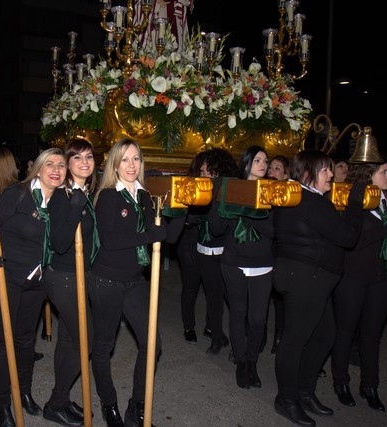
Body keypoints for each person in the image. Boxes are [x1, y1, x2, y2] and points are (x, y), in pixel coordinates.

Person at [272, 150, 365, 426]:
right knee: (294, 341)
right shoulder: (313, 202)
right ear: (309, 174)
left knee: (325, 336)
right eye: (325, 170)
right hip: (306, 279)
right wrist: (356, 204)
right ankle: (286, 399)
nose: (331, 175)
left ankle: (303, 391)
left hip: (307, 279)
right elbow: (348, 237)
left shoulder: (295, 196)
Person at [0, 147, 66, 427]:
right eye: (49, 163)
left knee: (26, 340)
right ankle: (2, 402)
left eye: (61, 165)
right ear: (37, 168)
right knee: (3, 343)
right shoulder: (18, 193)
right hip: (5, 276)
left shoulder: (63, 201)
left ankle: (24, 392)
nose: (56, 169)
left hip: (36, 281)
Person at [89, 138, 166, 427]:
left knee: (152, 344)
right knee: (104, 346)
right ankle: (109, 406)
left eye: (136, 159)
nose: (131, 165)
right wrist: (150, 236)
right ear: (115, 164)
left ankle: (137, 406)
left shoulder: (145, 195)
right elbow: (109, 241)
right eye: (125, 159)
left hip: (135, 281)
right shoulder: (108, 196)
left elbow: (159, 231)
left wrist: (176, 215)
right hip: (105, 280)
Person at [331, 156, 387, 412]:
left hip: (382, 277)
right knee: (346, 332)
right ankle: (341, 381)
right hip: (353, 276)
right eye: (384, 172)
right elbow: (353, 239)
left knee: (372, 335)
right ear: (369, 175)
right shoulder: (351, 200)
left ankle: (370, 386)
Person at [43, 139, 98, 426]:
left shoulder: (84, 192)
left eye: (89, 157)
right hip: (64, 278)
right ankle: (55, 402)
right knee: (85, 341)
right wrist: (76, 203)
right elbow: (60, 242)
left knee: (68, 341)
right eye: (77, 158)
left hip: (78, 276)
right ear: (68, 163)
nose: (85, 162)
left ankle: (60, 401)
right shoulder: (64, 196)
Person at [208, 145, 273, 389]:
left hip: (262, 263)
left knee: (257, 320)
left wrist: (248, 212)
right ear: (246, 164)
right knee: (237, 313)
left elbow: (274, 231)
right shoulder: (231, 189)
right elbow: (216, 229)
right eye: (257, 160)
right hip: (233, 261)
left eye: (265, 161)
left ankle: (253, 362)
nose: (263, 164)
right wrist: (219, 201)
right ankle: (242, 363)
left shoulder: (272, 191)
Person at [169, 148, 236, 357]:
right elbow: (186, 218)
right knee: (198, 289)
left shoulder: (227, 187)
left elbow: (220, 224)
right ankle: (195, 328)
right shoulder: (198, 185)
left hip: (224, 249)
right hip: (197, 245)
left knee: (224, 296)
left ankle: (219, 333)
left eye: (206, 165)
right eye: (201, 165)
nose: (202, 169)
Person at [264, 154, 290, 354]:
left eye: (277, 169)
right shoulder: (260, 192)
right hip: (264, 252)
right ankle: (259, 336)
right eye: (270, 168)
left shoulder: (289, 198)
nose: (272, 172)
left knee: (281, 300)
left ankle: (280, 336)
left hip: (282, 254)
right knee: (261, 298)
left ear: (286, 175)